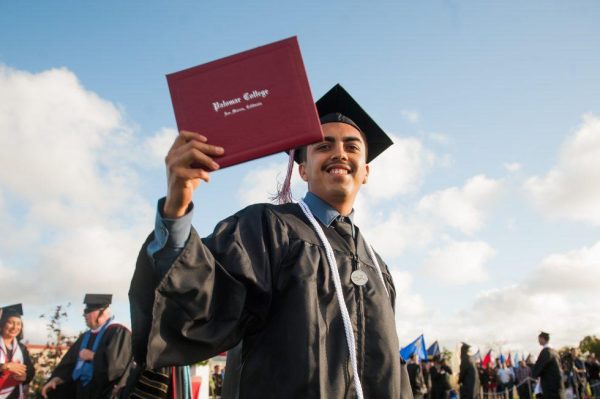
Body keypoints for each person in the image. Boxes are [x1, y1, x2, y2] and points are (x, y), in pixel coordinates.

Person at [129, 84, 413, 398]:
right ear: (303, 169)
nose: (339, 153)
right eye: (323, 145)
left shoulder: (377, 265)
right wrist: (176, 209)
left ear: (366, 171)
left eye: (351, 146)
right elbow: (203, 301)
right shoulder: (267, 229)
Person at [41, 294, 132, 399]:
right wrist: (57, 378)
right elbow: (69, 364)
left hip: (104, 392)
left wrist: (94, 356)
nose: (84, 315)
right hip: (80, 392)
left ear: (102, 312)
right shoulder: (86, 337)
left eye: (88, 311)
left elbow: (117, 367)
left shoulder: (118, 331)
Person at [0, 304, 35, 399]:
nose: (15, 327)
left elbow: (30, 370)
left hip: (15, 394)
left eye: (19, 324)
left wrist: (25, 377)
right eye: (10, 322)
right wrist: (4, 366)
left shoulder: (22, 348)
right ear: (2, 324)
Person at [531, 332, 566, 399]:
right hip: (557, 383)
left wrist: (534, 375)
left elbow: (538, 367)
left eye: (539, 339)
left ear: (542, 339)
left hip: (550, 384)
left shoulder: (546, 352)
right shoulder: (554, 351)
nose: (538, 341)